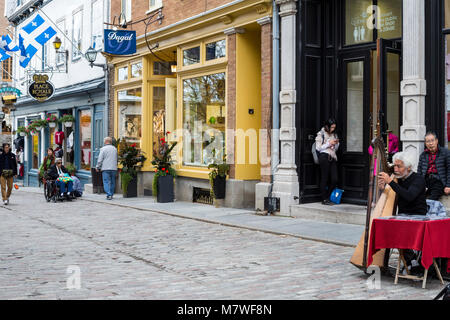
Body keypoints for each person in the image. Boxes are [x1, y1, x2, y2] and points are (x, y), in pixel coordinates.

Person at [378, 151, 428, 274]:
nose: (395, 169)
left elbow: (409, 196)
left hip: (417, 217)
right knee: (384, 228)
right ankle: (408, 262)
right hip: (403, 216)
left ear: (409, 167)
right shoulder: (398, 179)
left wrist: (390, 182)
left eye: (399, 166)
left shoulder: (418, 179)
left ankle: (412, 262)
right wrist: (382, 188)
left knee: (400, 231)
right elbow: (395, 192)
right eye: (394, 166)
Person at [416, 132, 450, 201]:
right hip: (426, 180)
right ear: (425, 143)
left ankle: (428, 209)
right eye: (428, 141)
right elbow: (419, 172)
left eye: (432, 140)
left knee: (432, 198)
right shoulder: (423, 155)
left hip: (439, 180)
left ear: (436, 141)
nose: (430, 143)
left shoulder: (445, 153)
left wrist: (448, 185)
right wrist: (420, 185)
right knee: (415, 195)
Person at [315, 118, 340, 205]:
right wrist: (329, 144)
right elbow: (318, 148)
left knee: (334, 179)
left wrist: (335, 145)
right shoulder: (321, 134)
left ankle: (328, 196)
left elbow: (336, 149)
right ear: (327, 126)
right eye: (331, 127)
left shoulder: (334, 135)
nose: (333, 129)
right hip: (324, 157)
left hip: (332, 157)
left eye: (334, 127)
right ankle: (324, 199)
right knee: (324, 178)